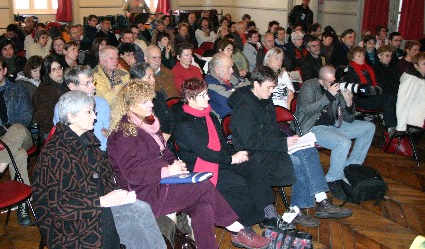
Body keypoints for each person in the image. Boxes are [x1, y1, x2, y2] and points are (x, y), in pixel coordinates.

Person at [107, 80, 270, 249]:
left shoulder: (148, 124)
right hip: (145, 193)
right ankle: (238, 231)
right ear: (129, 105)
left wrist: (176, 166)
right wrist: (168, 171)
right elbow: (133, 175)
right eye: (144, 101)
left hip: (162, 184)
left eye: (150, 99)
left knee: (204, 207)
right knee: (203, 186)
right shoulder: (122, 135)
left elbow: (166, 154)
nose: (150, 104)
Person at [32, 90, 165, 248]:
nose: (95, 117)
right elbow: (59, 206)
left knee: (141, 208)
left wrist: (117, 194)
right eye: (89, 112)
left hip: (97, 205)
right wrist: (102, 201)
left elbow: (105, 177)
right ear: (71, 116)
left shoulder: (88, 141)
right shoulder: (55, 154)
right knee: (126, 222)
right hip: (70, 224)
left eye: (93, 111)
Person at [228, 66, 352, 227]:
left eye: (274, 87)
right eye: (269, 87)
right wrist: (283, 143)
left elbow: (270, 130)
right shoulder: (244, 107)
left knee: (307, 148)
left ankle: (320, 201)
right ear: (256, 84)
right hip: (254, 154)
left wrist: (289, 139)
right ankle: (300, 209)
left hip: (270, 146)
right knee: (298, 161)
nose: (272, 91)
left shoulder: (263, 98)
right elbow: (250, 142)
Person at [175, 78, 285, 230]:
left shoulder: (209, 116)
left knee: (254, 167)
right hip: (201, 166)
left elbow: (221, 143)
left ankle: (269, 213)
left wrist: (236, 154)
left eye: (207, 93)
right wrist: (230, 159)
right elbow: (205, 153)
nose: (208, 98)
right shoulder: (184, 124)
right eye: (203, 95)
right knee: (237, 183)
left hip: (220, 159)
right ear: (190, 99)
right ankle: (243, 226)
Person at [294, 65, 375, 199]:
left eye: (335, 81)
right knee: (343, 142)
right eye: (330, 82)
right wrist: (328, 95)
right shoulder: (309, 86)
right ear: (321, 81)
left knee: (369, 127)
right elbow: (306, 111)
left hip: (335, 124)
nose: (335, 85)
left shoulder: (338, 86)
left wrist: (349, 102)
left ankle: (351, 167)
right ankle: (332, 179)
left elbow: (349, 119)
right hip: (314, 127)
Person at [0, 56, 33, 226]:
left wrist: (7, 133)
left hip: (21, 135)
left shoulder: (18, 89)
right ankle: (22, 205)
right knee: (18, 155)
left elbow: (26, 117)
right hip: (4, 144)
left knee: (18, 129)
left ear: (4, 71)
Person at [53, 65, 110, 151]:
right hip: (76, 153)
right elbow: (65, 138)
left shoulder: (101, 103)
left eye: (92, 82)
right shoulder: (63, 107)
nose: (93, 87)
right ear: (72, 87)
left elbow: (110, 132)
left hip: (103, 151)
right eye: (87, 84)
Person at [343, 46, 397, 130]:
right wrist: (373, 90)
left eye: (363, 55)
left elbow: (379, 85)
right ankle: (391, 128)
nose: (362, 58)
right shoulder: (349, 71)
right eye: (359, 56)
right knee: (389, 98)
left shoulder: (368, 69)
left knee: (392, 97)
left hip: (372, 97)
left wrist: (372, 90)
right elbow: (358, 89)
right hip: (360, 100)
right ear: (352, 58)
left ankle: (393, 126)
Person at [130, 62, 175, 139]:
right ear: (136, 80)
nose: (153, 80)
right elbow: (147, 130)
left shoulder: (158, 95)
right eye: (148, 77)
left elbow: (170, 119)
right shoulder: (136, 104)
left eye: (153, 76)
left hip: (169, 137)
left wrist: (171, 136)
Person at [205, 52, 250, 118]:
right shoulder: (210, 85)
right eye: (228, 68)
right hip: (230, 120)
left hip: (244, 113)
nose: (232, 71)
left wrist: (233, 90)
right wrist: (240, 86)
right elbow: (231, 101)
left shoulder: (228, 75)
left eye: (232, 67)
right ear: (217, 70)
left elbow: (248, 83)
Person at [33, 55, 68, 137]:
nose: (58, 71)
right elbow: (43, 119)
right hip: (52, 129)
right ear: (47, 72)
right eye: (54, 70)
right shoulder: (41, 91)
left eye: (59, 68)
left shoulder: (69, 84)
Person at [396, 52, 425, 131]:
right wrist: (401, 127)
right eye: (424, 64)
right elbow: (403, 103)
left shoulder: (421, 76)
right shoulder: (411, 79)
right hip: (416, 115)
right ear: (416, 65)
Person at [373, 45, 399, 132]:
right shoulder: (376, 69)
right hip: (382, 94)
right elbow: (383, 85)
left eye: (390, 56)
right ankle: (391, 127)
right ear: (379, 56)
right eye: (387, 55)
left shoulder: (391, 68)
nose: (389, 58)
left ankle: (402, 125)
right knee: (390, 98)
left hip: (392, 92)